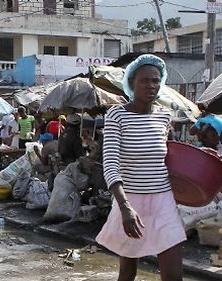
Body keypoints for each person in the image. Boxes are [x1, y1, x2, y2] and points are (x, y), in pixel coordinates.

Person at [96, 54, 185, 281]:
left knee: (174, 274)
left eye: (156, 80)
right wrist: (124, 206)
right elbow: (110, 163)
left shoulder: (164, 116)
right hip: (131, 200)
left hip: (163, 200)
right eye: (145, 80)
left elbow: (170, 158)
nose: (151, 85)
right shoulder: (117, 115)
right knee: (128, 271)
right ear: (132, 82)